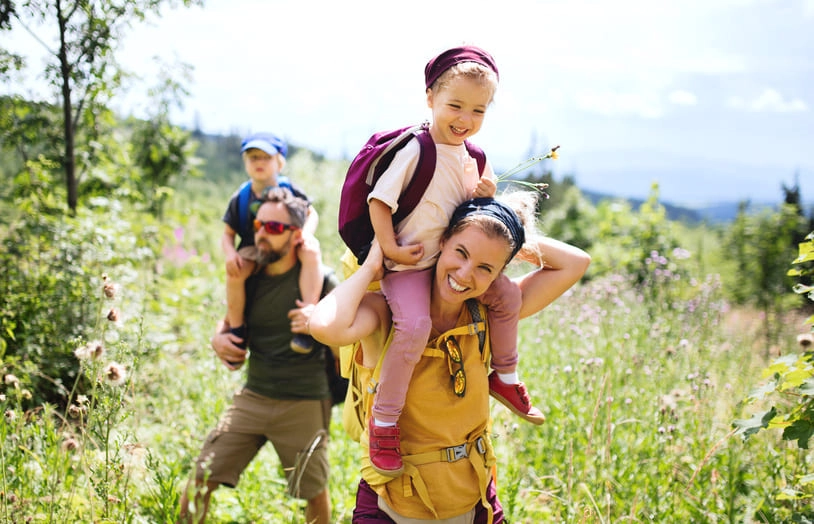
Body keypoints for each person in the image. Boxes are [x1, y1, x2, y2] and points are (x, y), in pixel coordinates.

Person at [310, 192, 591, 522]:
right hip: (391, 504)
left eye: (485, 267)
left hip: (474, 501)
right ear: (440, 241)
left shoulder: (489, 314)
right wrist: (372, 265)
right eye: (461, 252)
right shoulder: (387, 313)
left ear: (498, 273)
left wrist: (504, 229)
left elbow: (576, 263)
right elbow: (324, 326)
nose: (465, 273)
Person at [363, 44, 542, 476]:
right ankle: (384, 421)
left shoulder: (473, 157)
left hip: (448, 261)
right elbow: (379, 201)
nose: (465, 119)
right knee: (415, 325)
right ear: (430, 98)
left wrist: (483, 194)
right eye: (455, 106)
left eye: (478, 111)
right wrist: (388, 249)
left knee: (506, 298)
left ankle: (505, 375)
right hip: (409, 264)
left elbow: (470, 216)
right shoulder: (416, 149)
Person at [179, 188, 338, 524]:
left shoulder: (322, 282)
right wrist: (217, 340)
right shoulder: (249, 276)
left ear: (297, 236)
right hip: (254, 395)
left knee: (313, 491)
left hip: (305, 400)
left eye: (274, 228)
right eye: (258, 224)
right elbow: (227, 325)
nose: (262, 233)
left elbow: (347, 341)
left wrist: (320, 327)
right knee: (200, 478)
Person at [221, 132, 323, 355]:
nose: (259, 163)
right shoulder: (241, 197)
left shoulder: (291, 190)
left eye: (265, 157)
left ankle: (306, 319)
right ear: (245, 162)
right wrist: (230, 254)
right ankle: (237, 329)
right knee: (235, 273)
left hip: (288, 242)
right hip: (253, 247)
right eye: (253, 157)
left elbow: (311, 213)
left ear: (279, 162)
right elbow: (228, 233)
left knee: (311, 251)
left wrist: (305, 234)